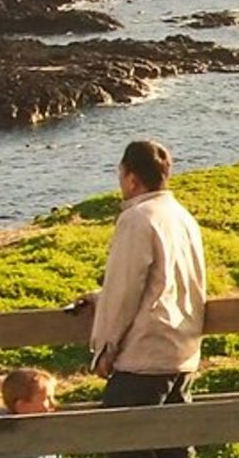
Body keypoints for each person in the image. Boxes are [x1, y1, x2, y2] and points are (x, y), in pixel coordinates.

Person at [90, 140, 206, 458]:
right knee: (174, 448)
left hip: (146, 354)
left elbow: (125, 289)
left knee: (122, 443)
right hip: (182, 351)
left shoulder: (137, 218)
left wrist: (105, 348)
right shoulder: (182, 217)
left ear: (131, 177)